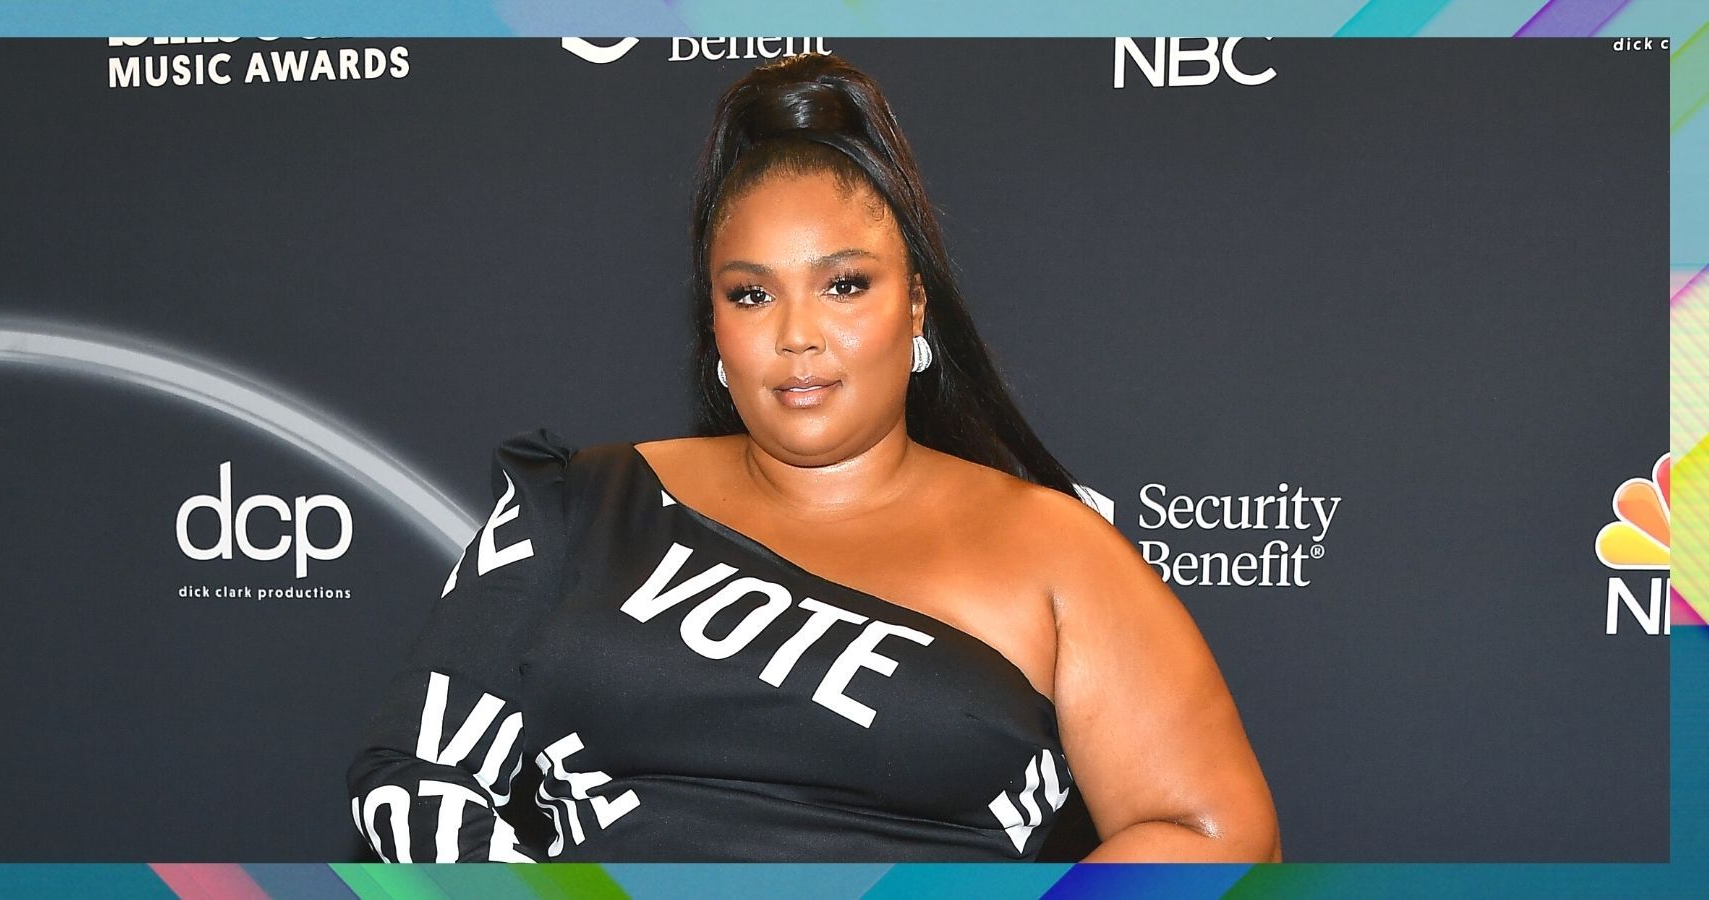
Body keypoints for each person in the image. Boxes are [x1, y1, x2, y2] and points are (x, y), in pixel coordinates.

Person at [347, 51, 1280, 863]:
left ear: (914, 307)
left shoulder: (1060, 550)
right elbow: (411, 779)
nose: (797, 336)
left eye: (843, 285)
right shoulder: (577, 506)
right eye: (751, 296)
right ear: (713, 324)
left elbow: (1214, 836)